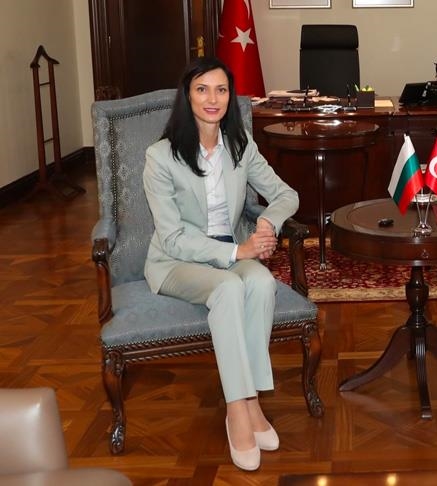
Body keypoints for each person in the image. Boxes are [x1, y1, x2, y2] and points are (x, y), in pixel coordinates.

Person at [142, 57, 299, 471]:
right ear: (187, 96)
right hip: (175, 261)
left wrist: (267, 223)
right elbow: (173, 237)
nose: (213, 98)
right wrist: (237, 253)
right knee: (230, 287)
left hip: (230, 252)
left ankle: (250, 400)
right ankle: (237, 409)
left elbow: (287, 194)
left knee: (262, 283)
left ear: (230, 97)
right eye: (202, 89)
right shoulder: (160, 157)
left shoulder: (240, 147)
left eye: (221, 90)